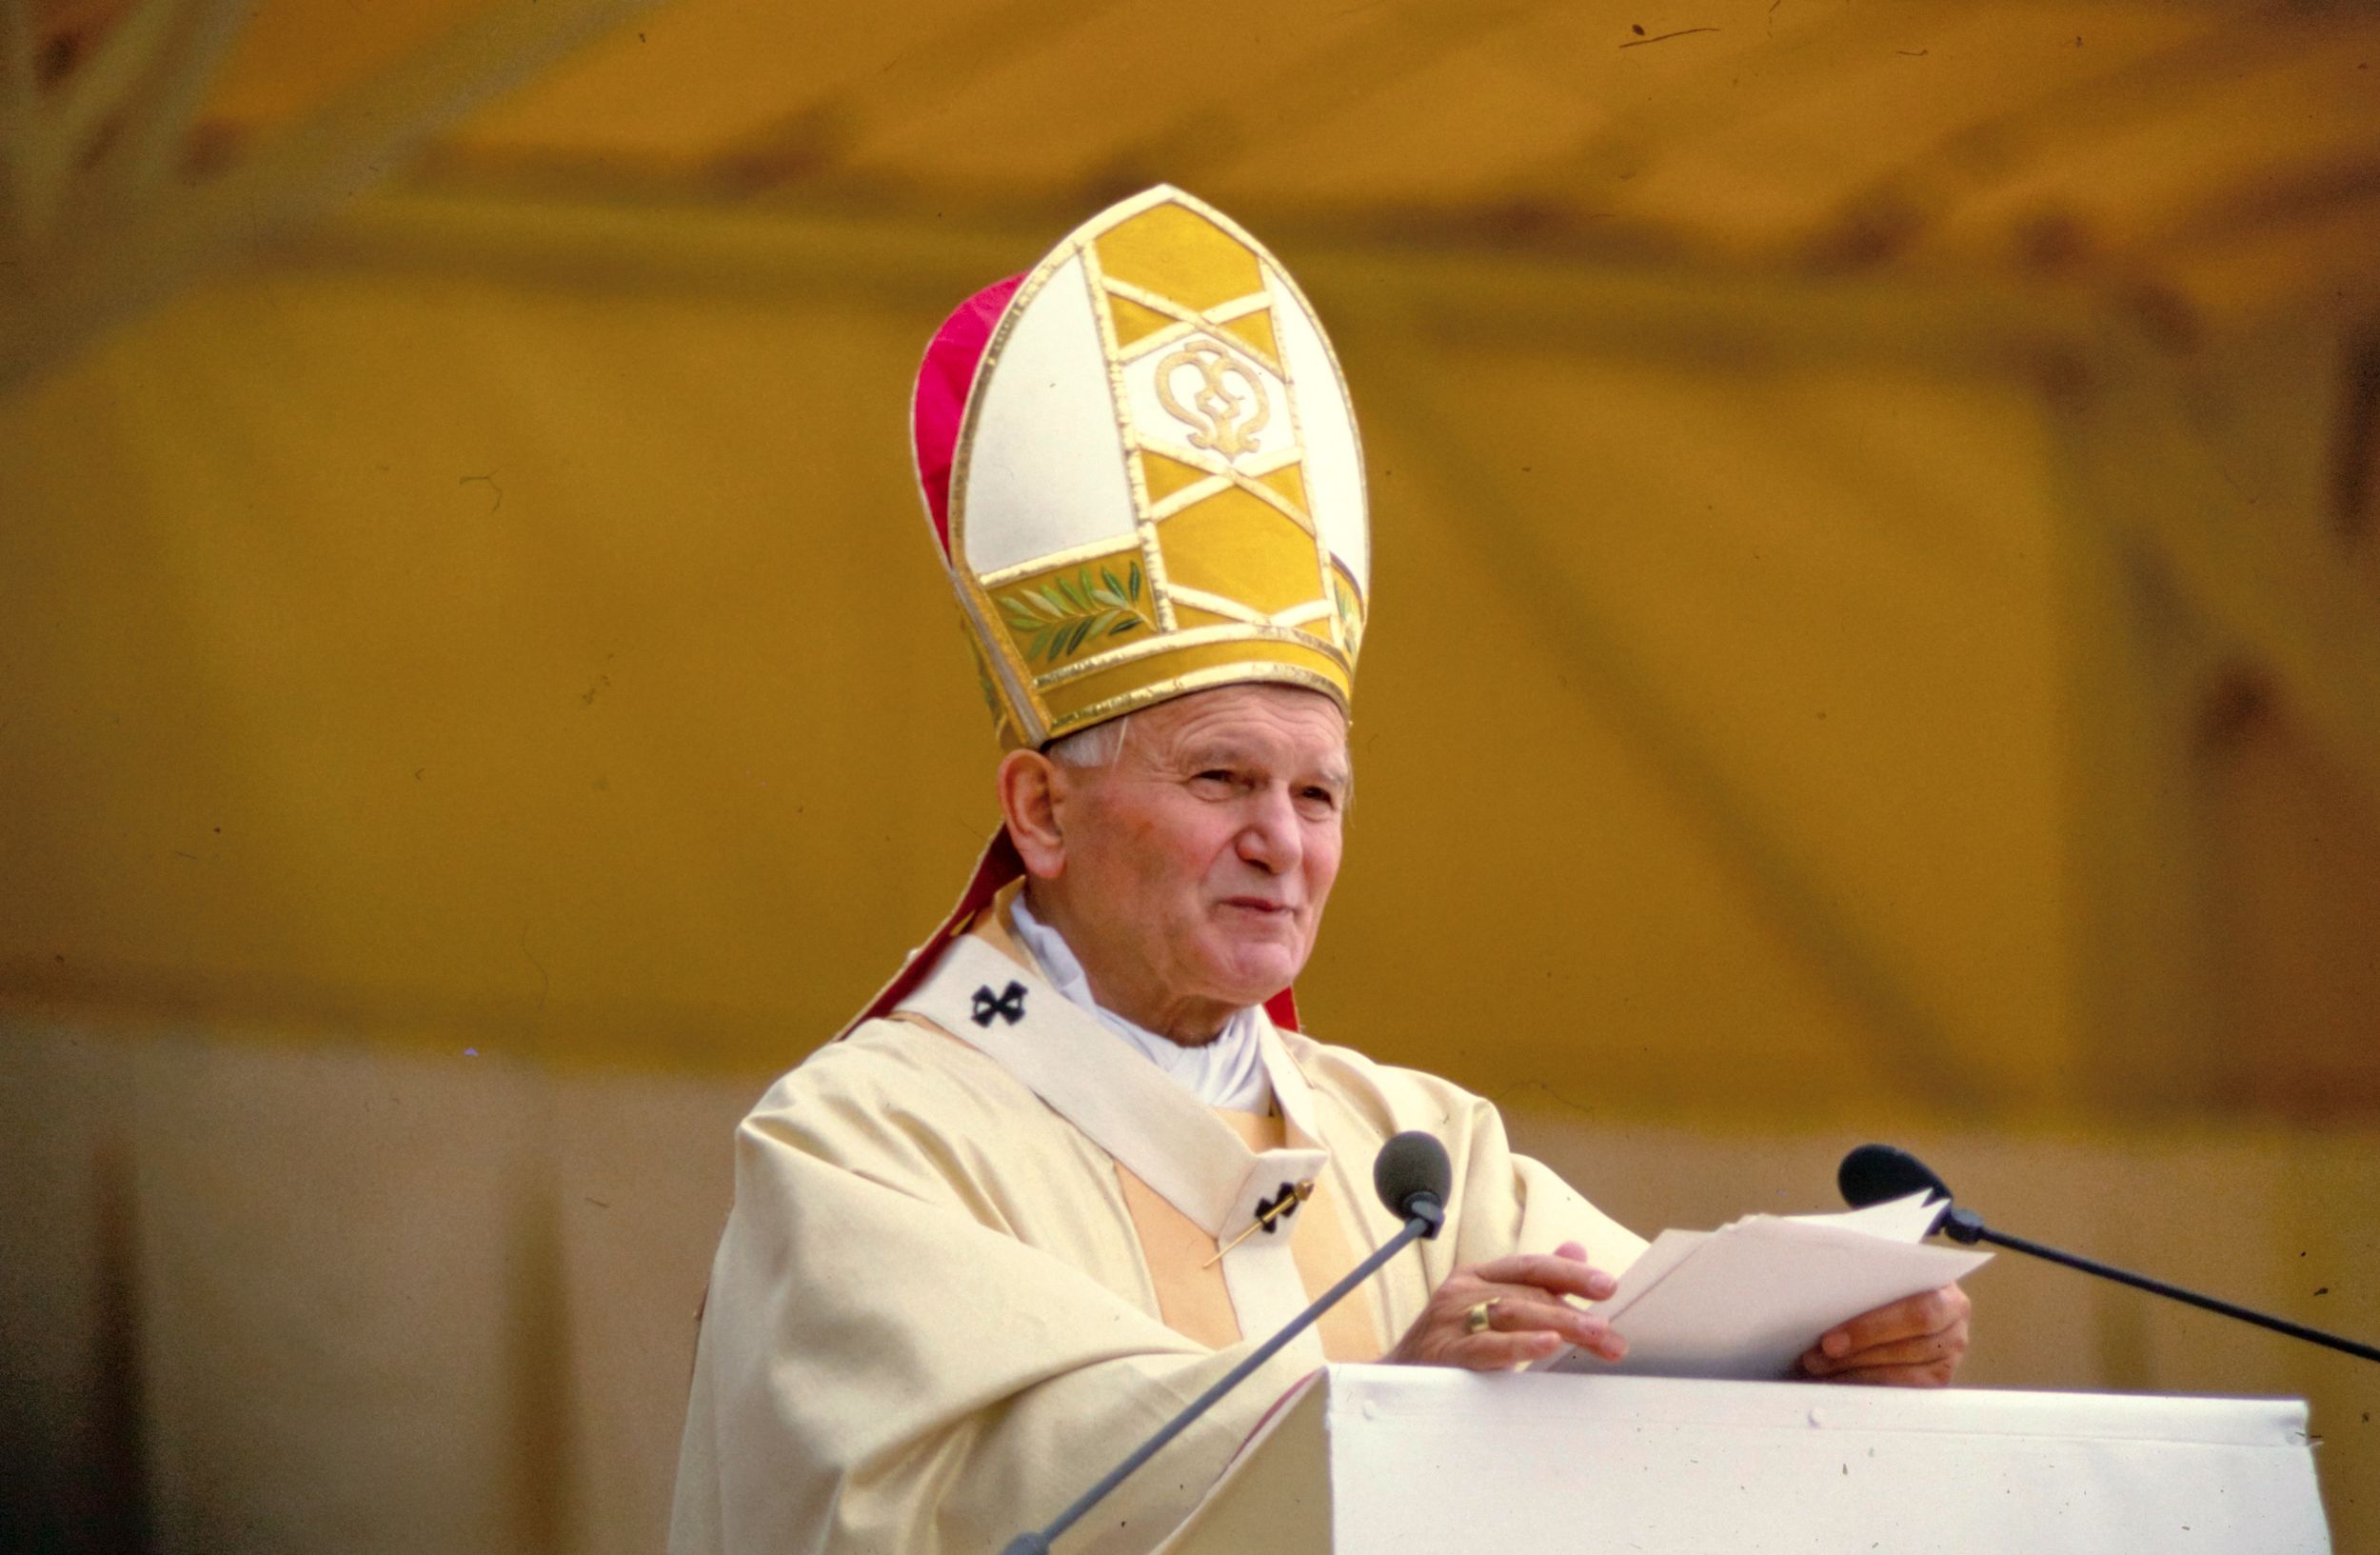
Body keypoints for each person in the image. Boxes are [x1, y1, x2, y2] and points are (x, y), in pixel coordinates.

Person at [667, 187, 1969, 1555]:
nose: (1280, 839)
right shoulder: (869, 1141)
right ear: (1043, 809)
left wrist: (1822, 1349)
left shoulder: (1421, 1153)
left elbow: (1647, 1361)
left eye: (1318, 794)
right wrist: (1369, 1417)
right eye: (1221, 778)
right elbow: (902, 1502)